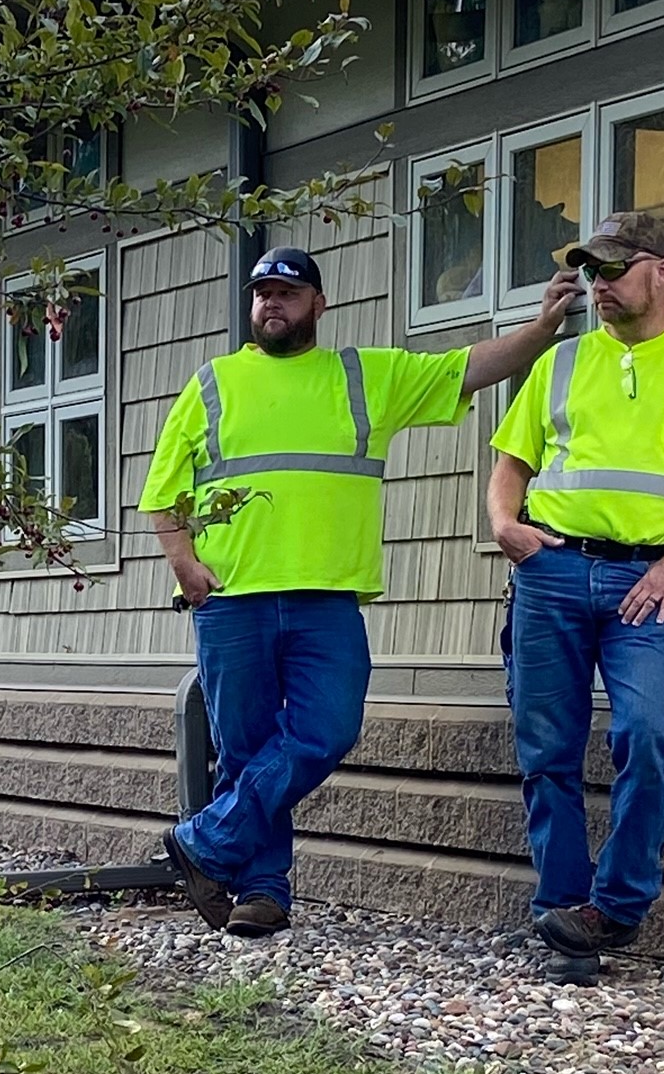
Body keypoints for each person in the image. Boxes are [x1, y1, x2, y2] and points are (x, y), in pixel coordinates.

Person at [144, 246, 581, 936]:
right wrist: (184, 567)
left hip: (328, 600)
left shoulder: (362, 376)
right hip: (231, 598)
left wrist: (542, 328)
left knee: (327, 730)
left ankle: (204, 841)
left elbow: (467, 367)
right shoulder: (213, 384)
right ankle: (261, 891)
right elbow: (162, 492)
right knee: (248, 749)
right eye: (261, 293)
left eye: (287, 292)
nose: (271, 303)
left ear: (319, 304)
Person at [487, 213, 664, 963]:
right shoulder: (559, 362)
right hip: (549, 573)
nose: (599, 285)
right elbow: (511, 466)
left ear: (662, 270)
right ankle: (563, 915)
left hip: (644, 582)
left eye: (614, 268)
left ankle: (615, 907)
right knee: (547, 751)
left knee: (647, 736)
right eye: (591, 271)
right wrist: (503, 524)